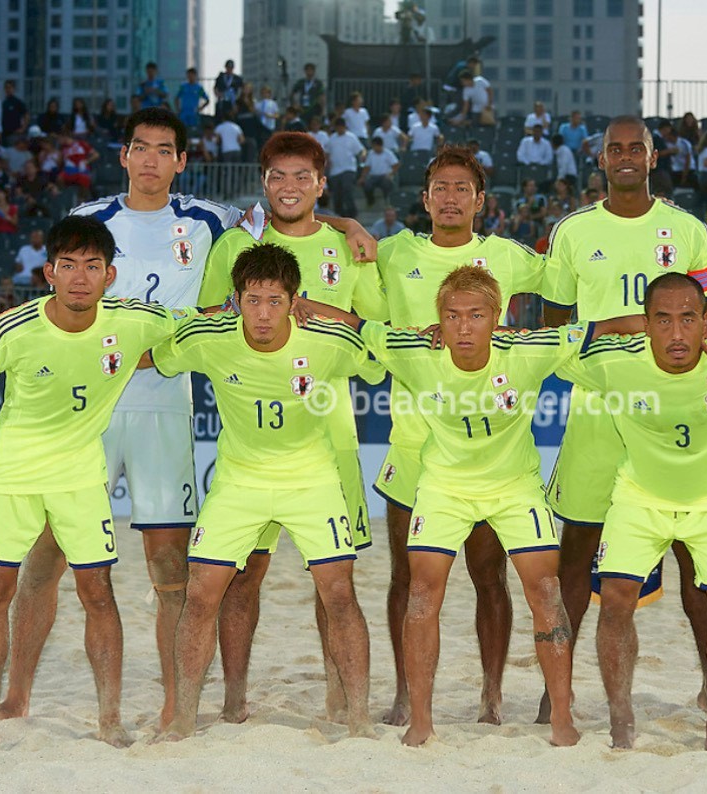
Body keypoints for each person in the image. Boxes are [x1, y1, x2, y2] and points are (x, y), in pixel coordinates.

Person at [0, 108, 243, 733]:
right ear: (124, 155)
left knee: (169, 566)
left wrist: (348, 224)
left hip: (164, 405)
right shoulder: (90, 218)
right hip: (87, 411)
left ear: (181, 160)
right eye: (141, 148)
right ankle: (16, 694)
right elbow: (61, 295)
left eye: (164, 149)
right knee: (46, 558)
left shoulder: (212, 219)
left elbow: (288, 220)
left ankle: (175, 704)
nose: (152, 159)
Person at [315, 265, 599, 748]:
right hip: (443, 486)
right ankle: (421, 721)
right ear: (438, 319)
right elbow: (352, 323)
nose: (464, 326)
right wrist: (294, 304)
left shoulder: (527, 350)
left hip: (514, 487)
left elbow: (601, 327)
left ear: (497, 317)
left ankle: (561, 717)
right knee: (422, 593)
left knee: (546, 592)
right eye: (452, 316)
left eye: (476, 315)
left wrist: (698, 325)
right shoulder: (416, 352)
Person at [0, 215, 188, 751]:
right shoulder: (12, 328)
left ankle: (110, 721)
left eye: (93, 266)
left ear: (110, 275)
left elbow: (198, 324)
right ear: (49, 272)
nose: (81, 277)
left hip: (79, 474)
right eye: (69, 265)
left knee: (97, 591)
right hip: (14, 473)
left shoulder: (134, 320)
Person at [539, 115, 707, 723]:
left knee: (694, 558)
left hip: (675, 412)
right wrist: (606, 342)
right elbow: (554, 327)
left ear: (653, 158)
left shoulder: (688, 230)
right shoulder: (573, 231)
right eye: (614, 149)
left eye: (636, 148)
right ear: (600, 159)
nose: (625, 156)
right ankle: (556, 692)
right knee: (576, 553)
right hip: (599, 412)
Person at [151, 244, 383, 742]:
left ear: (294, 301)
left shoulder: (326, 341)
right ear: (236, 300)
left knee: (339, 592)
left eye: (275, 301)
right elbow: (156, 354)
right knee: (202, 592)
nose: (263, 314)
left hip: (311, 479)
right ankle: (190, 716)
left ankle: (359, 718)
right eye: (253, 300)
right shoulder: (211, 338)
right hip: (240, 481)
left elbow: (378, 362)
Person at [562, 272, 707, 751]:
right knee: (615, 600)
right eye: (663, 320)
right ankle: (620, 718)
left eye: (688, 319)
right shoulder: (614, 362)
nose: (676, 333)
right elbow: (548, 344)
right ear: (646, 323)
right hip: (639, 498)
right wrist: (623, 323)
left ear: (706, 320)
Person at [195, 131, 387, 723]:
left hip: (328, 439)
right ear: (263, 182)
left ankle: (339, 698)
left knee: (333, 582)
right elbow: (207, 318)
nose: (289, 186)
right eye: (278, 176)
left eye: (303, 176)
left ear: (321, 184)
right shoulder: (237, 244)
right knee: (242, 577)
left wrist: (316, 306)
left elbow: (377, 334)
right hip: (251, 447)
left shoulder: (347, 246)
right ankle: (233, 699)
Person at [360, 145, 549, 728]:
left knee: (489, 576)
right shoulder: (395, 252)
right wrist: (347, 223)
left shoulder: (507, 256)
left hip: (487, 451)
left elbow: (567, 281)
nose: (450, 197)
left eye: (461, 188)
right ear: (424, 199)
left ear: (480, 200)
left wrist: (525, 337)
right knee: (406, 578)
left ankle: (492, 696)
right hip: (413, 444)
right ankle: (404, 692)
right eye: (440, 187)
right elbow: (337, 257)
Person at [325, 118, 365, 218]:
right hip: (335, 170)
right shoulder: (332, 139)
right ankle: (339, 214)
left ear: (344, 127)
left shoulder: (351, 137)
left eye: (341, 127)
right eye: (338, 127)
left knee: (347, 189)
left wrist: (363, 155)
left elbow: (361, 150)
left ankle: (353, 213)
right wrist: (327, 161)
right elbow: (327, 152)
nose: (340, 129)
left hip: (349, 168)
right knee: (337, 194)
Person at [360, 135, 399, 207]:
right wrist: (362, 177)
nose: (373, 148)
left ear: (379, 145)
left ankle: (388, 202)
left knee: (387, 184)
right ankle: (371, 201)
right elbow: (367, 167)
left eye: (374, 146)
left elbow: (396, 165)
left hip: (384, 176)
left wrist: (391, 174)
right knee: (367, 185)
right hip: (373, 176)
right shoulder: (371, 153)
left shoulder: (388, 153)